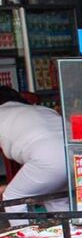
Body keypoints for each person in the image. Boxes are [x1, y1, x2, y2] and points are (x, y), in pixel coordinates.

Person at [0, 88, 68, 225]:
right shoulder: (41, 110)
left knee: (13, 197)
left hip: (48, 159)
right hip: (81, 157)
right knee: (56, 199)